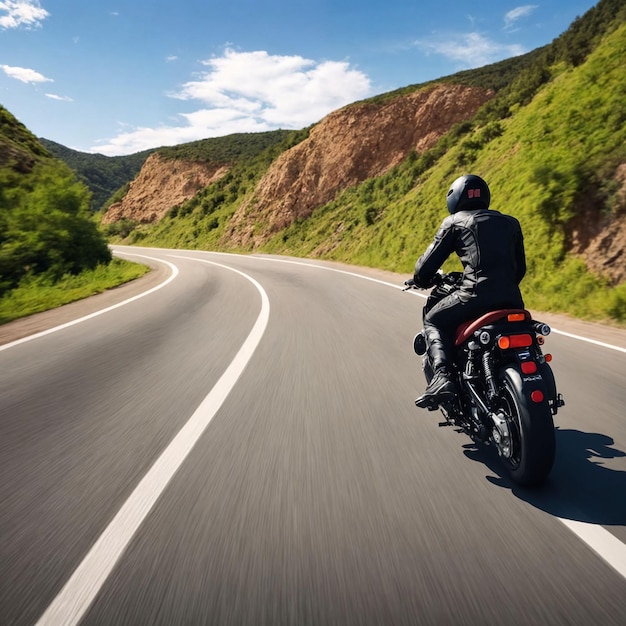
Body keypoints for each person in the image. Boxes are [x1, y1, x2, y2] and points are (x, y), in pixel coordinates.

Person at [412, 174, 526, 409]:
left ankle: (442, 376)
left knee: (433, 321)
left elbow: (425, 269)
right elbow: (520, 269)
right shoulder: (510, 222)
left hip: (473, 296)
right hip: (512, 300)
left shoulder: (454, 222)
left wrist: (421, 279)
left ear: (454, 199)